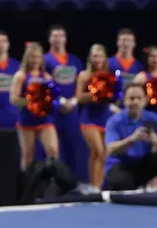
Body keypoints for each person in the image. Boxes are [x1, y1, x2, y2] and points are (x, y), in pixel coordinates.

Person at [103, 84, 157, 192]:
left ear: (145, 100)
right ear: (124, 101)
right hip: (120, 164)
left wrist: (155, 141)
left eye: (139, 98)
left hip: (142, 164)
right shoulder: (114, 121)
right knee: (122, 183)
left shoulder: (152, 118)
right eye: (131, 98)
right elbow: (111, 149)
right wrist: (131, 139)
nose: (135, 102)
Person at [10, 41, 60, 171]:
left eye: (38, 57)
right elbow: (13, 99)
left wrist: (51, 101)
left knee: (53, 150)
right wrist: (33, 100)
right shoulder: (20, 76)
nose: (35, 60)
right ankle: (27, 183)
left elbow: (53, 96)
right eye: (32, 57)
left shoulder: (47, 76)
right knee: (28, 153)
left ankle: (52, 181)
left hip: (45, 119)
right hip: (27, 119)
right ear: (27, 57)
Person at [75, 43, 119, 189]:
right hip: (88, 119)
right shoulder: (84, 75)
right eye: (94, 56)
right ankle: (96, 185)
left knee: (99, 153)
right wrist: (95, 94)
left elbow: (116, 94)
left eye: (100, 55)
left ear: (105, 58)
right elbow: (79, 97)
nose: (97, 59)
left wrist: (112, 98)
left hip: (105, 118)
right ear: (90, 58)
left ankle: (97, 185)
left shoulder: (110, 75)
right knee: (99, 151)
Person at [43, 26, 83, 176]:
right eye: (54, 36)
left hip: (71, 111)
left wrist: (73, 101)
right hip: (52, 111)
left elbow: (81, 84)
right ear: (49, 39)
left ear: (65, 39)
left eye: (61, 36)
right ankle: (52, 180)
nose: (58, 39)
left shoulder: (75, 61)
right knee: (52, 149)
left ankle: (71, 182)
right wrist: (58, 101)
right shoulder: (44, 60)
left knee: (71, 146)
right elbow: (42, 84)